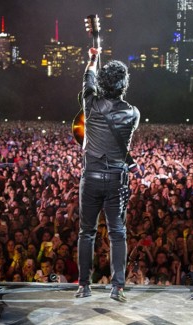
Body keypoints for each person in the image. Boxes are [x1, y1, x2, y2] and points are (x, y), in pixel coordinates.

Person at [75, 47, 140, 303]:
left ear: (102, 84)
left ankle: (83, 286)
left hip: (90, 177)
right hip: (116, 179)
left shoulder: (89, 103)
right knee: (117, 233)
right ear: (124, 85)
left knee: (86, 232)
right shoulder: (133, 113)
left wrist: (92, 59)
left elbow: (87, 79)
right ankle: (118, 288)